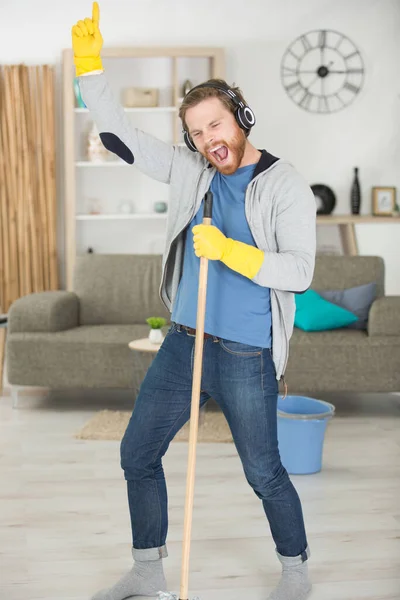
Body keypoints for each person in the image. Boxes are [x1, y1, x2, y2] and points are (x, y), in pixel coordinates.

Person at [72, 3, 316, 600]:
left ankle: (296, 571)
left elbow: (301, 273)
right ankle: (148, 568)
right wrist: (90, 69)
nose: (211, 140)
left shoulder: (286, 185)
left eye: (218, 124)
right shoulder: (191, 172)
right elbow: (118, 137)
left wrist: (232, 251)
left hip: (245, 353)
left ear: (241, 118)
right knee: (137, 453)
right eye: (198, 131)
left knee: (263, 472)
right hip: (183, 342)